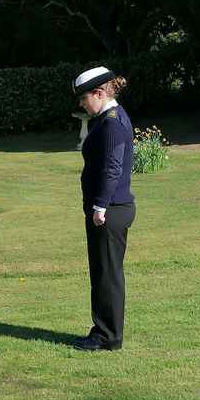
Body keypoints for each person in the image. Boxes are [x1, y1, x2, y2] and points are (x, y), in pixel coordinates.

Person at [72, 66, 135, 351]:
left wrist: (99, 207)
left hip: (109, 212)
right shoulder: (107, 118)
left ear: (99, 93)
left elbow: (113, 168)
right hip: (109, 210)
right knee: (102, 272)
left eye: (85, 98)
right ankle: (103, 330)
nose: (82, 104)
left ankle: (108, 336)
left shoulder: (111, 123)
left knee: (107, 274)